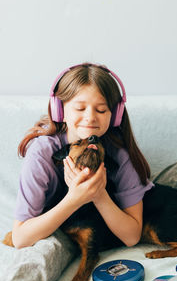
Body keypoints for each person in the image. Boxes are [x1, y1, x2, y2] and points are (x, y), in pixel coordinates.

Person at [12, 63, 154, 249]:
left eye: (101, 110)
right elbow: (20, 238)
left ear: (115, 115)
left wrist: (99, 194)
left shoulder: (120, 155)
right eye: (80, 108)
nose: (90, 117)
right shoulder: (41, 153)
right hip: (53, 227)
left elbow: (132, 237)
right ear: (60, 110)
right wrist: (75, 199)